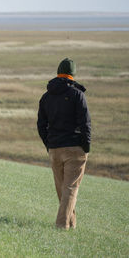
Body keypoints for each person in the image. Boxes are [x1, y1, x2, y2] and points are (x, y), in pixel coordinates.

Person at [37, 58, 91, 230]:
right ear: (73, 75)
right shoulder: (77, 95)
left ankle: (71, 224)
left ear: (58, 72)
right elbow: (86, 123)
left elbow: (41, 125)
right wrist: (86, 147)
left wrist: (49, 144)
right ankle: (61, 226)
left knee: (63, 190)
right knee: (70, 189)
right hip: (75, 148)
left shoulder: (46, 96)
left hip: (54, 149)